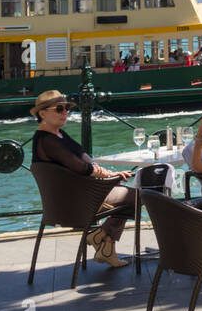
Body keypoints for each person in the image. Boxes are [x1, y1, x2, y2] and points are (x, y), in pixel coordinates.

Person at [30, 89, 133, 268]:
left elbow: (85, 159)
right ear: (43, 113)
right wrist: (108, 175)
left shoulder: (57, 134)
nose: (65, 112)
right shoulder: (48, 140)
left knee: (132, 196)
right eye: (59, 109)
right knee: (138, 196)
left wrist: (107, 173)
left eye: (66, 108)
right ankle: (102, 238)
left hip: (77, 196)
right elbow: (82, 167)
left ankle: (104, 241)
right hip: (77, 203)